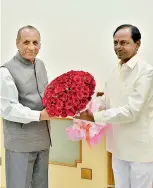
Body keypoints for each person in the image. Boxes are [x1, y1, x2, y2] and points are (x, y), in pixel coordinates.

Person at [77, 24, 153, 188]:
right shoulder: (114, 71)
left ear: (137, 44)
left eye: (124, 42)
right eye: (115, 42)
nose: (118, 47)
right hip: (117, 146)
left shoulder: (146, 72)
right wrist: (84, 107)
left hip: (140, 149)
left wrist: (94, 117)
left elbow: (132, 111)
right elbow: (106, 100)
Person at [0, 25, 52, 188]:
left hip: (43, 140)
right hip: (20, 144)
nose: (31, 47)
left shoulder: (41, 65)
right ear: (17, 44)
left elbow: (46, 95)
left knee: (41, 185)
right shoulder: (6, 71)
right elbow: (8, 108)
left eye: (35, 42)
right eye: (26, 42)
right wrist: (39, 116)